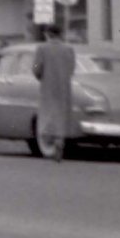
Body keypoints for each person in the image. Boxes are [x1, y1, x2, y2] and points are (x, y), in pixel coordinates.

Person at [32, 25, 75, 162]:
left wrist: (40, 76)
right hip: (64, 87)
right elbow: (71, 68)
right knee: (61, 115)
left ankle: (48, 145)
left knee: (46, 114)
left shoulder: (42, 49)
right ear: (60, 34)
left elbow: (36, 68)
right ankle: (59, 141)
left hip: (47, 86)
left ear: (48, 34)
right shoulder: (69, 50)